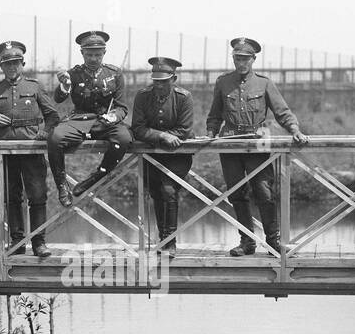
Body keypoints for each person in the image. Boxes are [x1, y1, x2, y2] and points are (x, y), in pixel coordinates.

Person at [206, 37, 309, 256]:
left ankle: (273, 242)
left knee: (264, 191)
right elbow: (215, 114)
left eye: (245, 59)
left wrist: (295, 130)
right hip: (230, 140)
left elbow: (282, 111)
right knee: (236, 193)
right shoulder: (223, 82)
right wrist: (210, 133)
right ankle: (247, 242)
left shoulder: (264, 83)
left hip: (259, 137)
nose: (240, 62)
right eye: (237, 58)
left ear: (253, 59)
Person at [0, 40, 60, 258]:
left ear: (22, 64)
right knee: (11, 197)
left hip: (31, 150)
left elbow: (53, 116)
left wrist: (44, 133)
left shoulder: (34, 87)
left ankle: (39, 242)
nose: (12, 67)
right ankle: (17, 241)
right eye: (7, 64)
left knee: (38, 195)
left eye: (16, 63)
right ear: (1, 67)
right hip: (5, 152)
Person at [48, 30, 132, 206]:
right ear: (82, 53)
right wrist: (64, 85)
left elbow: (122, 107)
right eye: (89, 54)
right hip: (80, 120)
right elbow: (58, 99)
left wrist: (113, 116)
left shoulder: (115, 74)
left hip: (107, 121)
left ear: (104, 53)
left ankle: (95, 178)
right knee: (55, 138)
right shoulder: (73, 74)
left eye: (97, 54)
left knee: (123, 138)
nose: (93, 58)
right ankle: (62, 186)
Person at [131, 56, 195, 257]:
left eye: (164, 81)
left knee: (169, 190)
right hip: (152, 155)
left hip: (177, 154)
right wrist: (161, 135)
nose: (159, 85)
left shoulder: (184, 97)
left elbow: (184, 129)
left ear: (173, 79)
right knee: (157, 193)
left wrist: (167, 137)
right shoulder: (142, 96)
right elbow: (138, 128)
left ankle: (170, 241)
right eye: (156, 81)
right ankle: (163, 240)